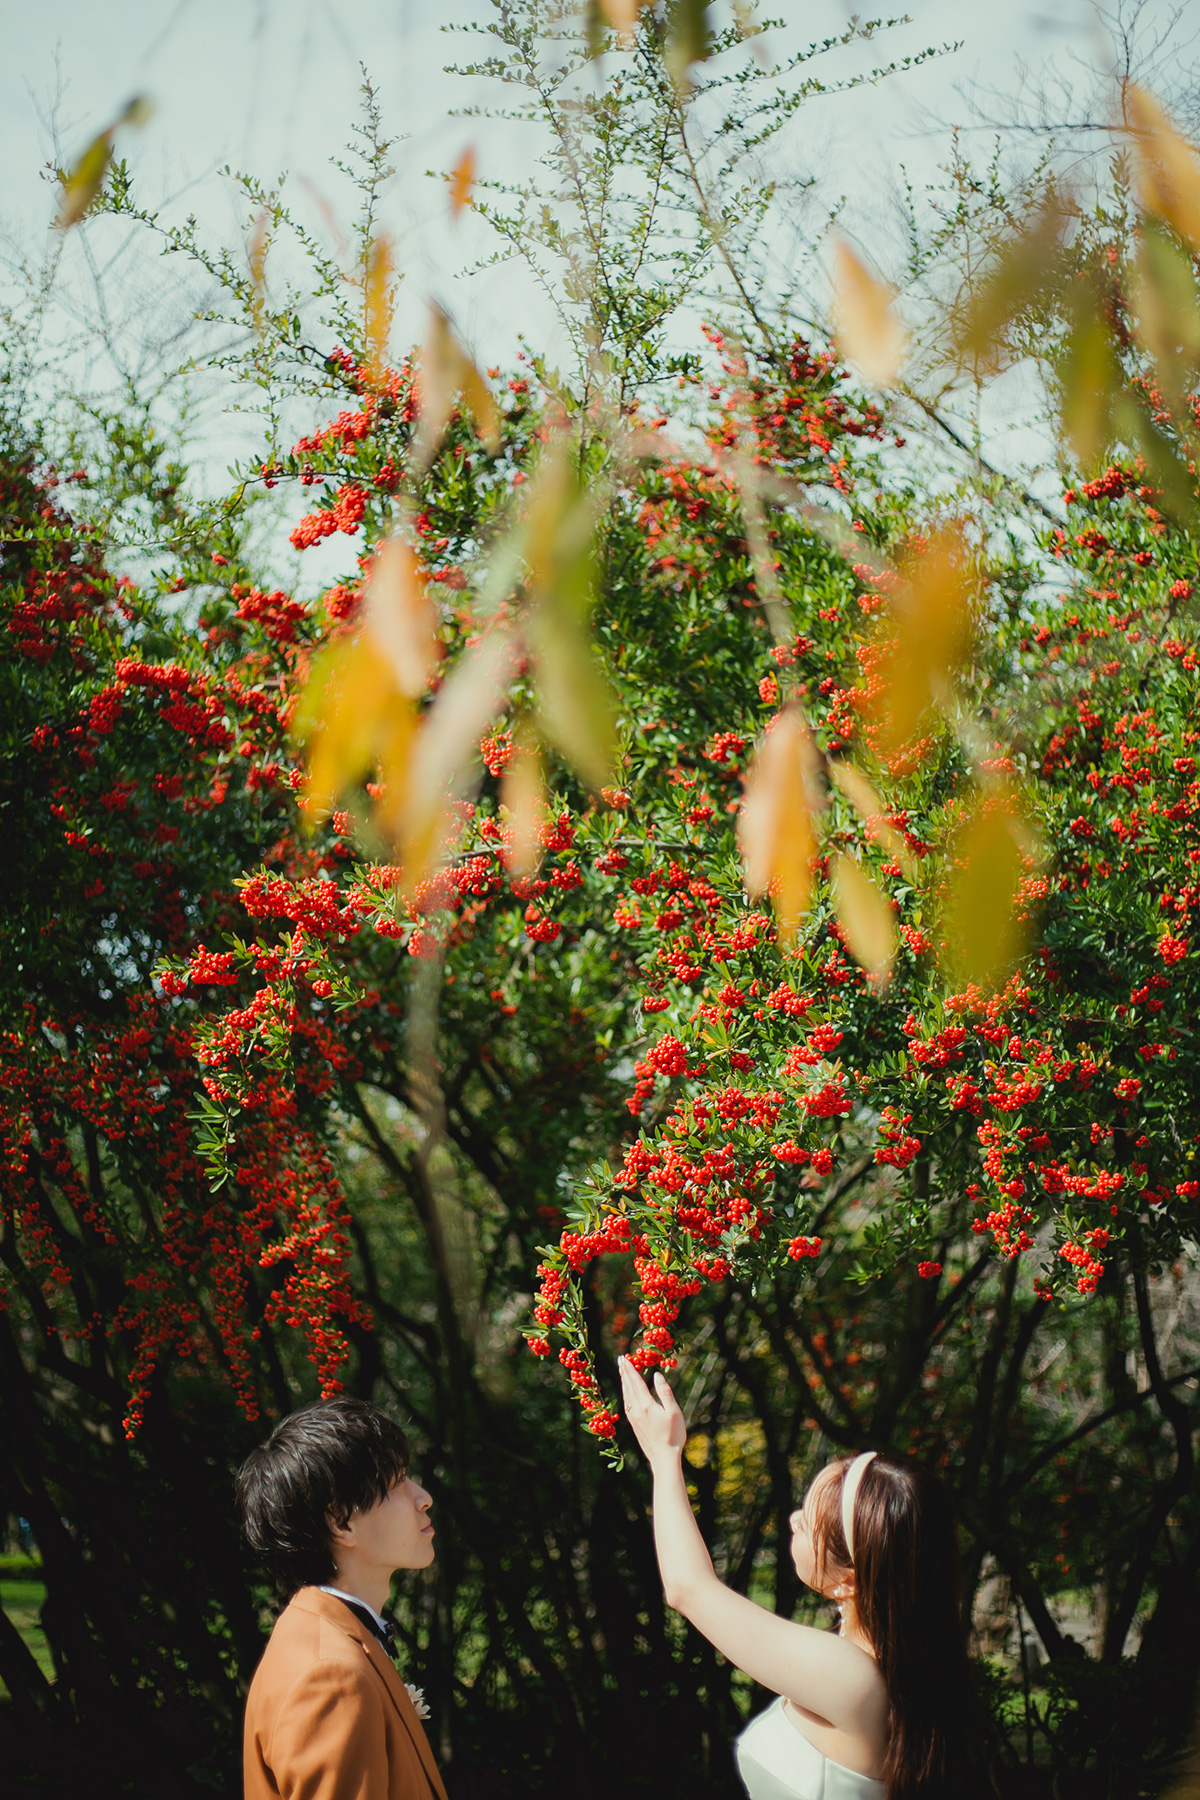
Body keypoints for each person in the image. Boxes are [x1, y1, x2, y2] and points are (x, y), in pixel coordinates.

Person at [618, 1358, 973, 1800]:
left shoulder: (853, 1678)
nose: (792, 1519)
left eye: (808, 1523)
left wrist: (664, 1456)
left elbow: (688, 1589)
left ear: (849, 1580)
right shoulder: (901, 1671)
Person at [236, 1395, 447, 1800]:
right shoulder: (330, 1676)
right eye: (397, 1481)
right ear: (341, 1522)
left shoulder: (326, 1637)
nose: (422, 1497)